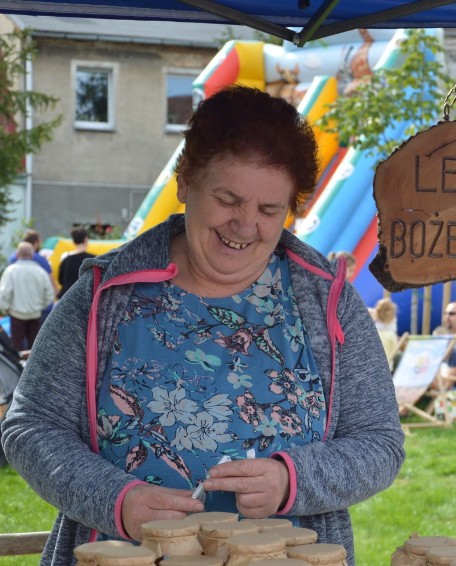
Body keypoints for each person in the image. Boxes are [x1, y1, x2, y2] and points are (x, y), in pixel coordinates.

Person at [1, 85, 405, 565]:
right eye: (228, 199)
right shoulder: (105, 294)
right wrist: (116, 499)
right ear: (186, 182)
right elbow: (31, 427)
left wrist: (290, 479)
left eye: (270, 209)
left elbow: (379, 442)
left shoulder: (326, 301)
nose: (245, 224)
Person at [0, 242, 55, 352]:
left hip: (16, 314)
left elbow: (4, 294)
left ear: (17, 254)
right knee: (33, 347)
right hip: (35, 314)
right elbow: (49, 294)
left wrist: (5, 309)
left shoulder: (11, 271)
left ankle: (17, 367)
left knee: (16, 346)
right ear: (32, 255)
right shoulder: (40, 271)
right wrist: (41, 306)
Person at [8, 228, 57, 321]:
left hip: (17, 309)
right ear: (35, 243)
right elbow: (52, 286)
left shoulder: (13, 259)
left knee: (18, 335)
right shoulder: (42, 260)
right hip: (39, 310)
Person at [57, 226, 96, 299]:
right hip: (85, 298)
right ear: (86, 240)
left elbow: (61, 280)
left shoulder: (66, 258)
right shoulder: (93, 259)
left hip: (66, 297)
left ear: (73, 241)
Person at [372, 297, 399, 369]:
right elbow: (395, 351)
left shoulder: (373, 332)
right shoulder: (391, 335)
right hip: (386, 369)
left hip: (371, 367)